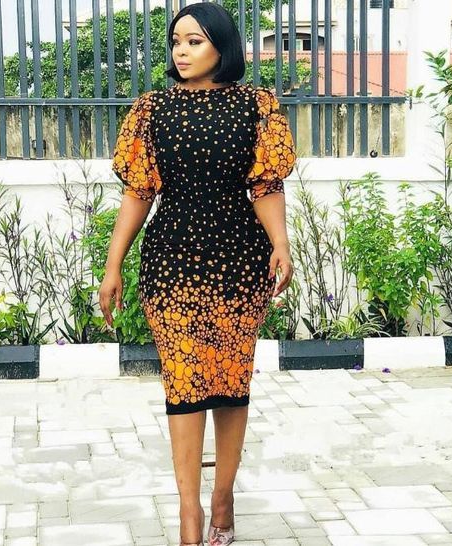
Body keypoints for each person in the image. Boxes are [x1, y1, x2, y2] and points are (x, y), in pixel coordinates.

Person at [99, 3, 296, 545]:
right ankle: (190, 513)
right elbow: (138, 192)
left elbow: (266, 185)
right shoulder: (151, 110)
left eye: (194, 41)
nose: (181, 51)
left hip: (240, 262)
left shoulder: (258, 106)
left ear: (222, 46)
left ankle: (223, 498)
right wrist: (114, 264)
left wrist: (281, 245)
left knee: (231, 382)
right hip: (172, 263)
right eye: (177, 41)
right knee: (184, 381)